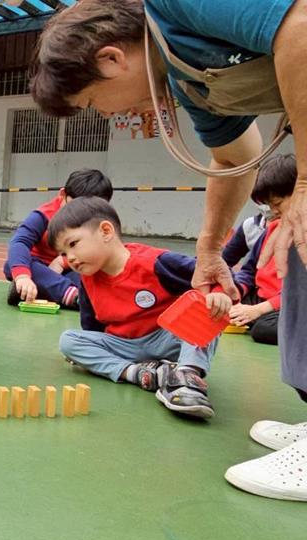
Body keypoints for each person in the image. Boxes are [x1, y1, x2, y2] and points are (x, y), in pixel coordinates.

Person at [29, 0, 307, 500]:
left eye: (94, 103)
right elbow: (235, 157)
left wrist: (305, 181)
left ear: (112, 59)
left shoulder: (176, 5)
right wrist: (209, 250)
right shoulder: (184, 78)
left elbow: (300, 26)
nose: (108, 115)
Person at [52, 198, 231, 419]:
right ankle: (139, 374)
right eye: (63, 253)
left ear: (106, 231)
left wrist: (219, 293)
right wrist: (88, 355)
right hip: (126, 346)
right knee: (69, 341)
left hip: (169, 339)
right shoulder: (87, 282)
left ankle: (185, 379)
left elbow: (210, 273)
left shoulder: (154, 262)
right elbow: (92, 330)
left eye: (72, 244)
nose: (69, 258)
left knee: (206, 312)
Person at [4, 169, 114, 308]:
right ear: (63, 194)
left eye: (91, 210)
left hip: (72, 268)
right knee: (13, 265)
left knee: (93, 274)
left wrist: (63, 262)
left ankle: (39, 292)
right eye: (76, 207)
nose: (82, 215)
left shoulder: (100, 222)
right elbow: (20, 242)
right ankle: (72, 296)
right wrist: (23, 277)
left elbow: (103, 251)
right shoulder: (43, 215)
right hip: (40, 268)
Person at [231, 154, 297, 345]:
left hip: (288, 305)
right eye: (269, 205)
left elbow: (298, 292)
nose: (273, 211)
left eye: (277, 204)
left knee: (263, 329)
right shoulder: (273, 228)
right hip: (261, 298)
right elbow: (249, 271)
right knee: (219, 307)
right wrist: (235, 292)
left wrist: (259, 310)